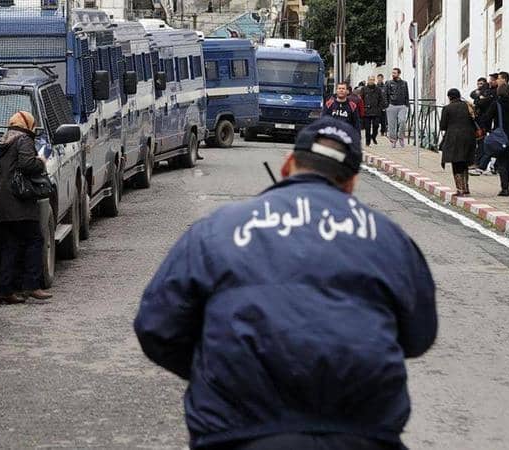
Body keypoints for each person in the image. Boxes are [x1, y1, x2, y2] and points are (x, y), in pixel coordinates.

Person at [135, 116, 437, 450]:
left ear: (287, 165)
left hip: (237, 432)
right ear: (351, 183)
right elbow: (419, 336)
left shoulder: (216, 230)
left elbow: (156, 326)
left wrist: (220, 370)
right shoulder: (390, 239)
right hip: (363, 435)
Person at [0, 111, 53, 304]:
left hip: (2, 203)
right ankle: (32, 285)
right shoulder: (24, 140)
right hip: (19, 203)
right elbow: (27, 165)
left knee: (10, 246)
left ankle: (4, 291)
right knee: (35, 240)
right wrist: (41, 161)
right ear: (28, 125)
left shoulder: (4, 141)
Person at [479, 84, 509, 196]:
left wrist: (489, 130)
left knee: (503, 163)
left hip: (501, 137)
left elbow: (486, 118)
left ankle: (505, 188)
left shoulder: (497, 104)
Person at [439, 89, 476, 196]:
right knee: (465, 161)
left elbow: (443, 126)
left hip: (454, 138)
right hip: (469, 137)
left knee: (456, 162)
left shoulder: (447, 108)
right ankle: (466, 187)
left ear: (450, 97)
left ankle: (460, 189)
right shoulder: (468, 106)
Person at [385, 67, 409, 148]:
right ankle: (393, 140)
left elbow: (407, 94)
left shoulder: (404, 83)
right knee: (392, 125)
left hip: (402, 105)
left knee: (402, 121)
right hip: (391, 105)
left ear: (399, 74)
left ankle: (401, 137)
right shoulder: (388, 83)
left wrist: (406, 104)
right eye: (392, 73)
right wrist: (387, 105)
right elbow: (385, 94)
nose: (393, 74)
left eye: (394, 73)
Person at [361, 75, 386, 146]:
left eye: (372, 79)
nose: (371, 81)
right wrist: (363, 108)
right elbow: (361, 99)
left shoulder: (378, 89)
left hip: (376, 110)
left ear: (374, 80)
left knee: (376, 125)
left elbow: (381, 99)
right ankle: (367, 142)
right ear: (368, 80)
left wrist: (380, 108)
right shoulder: (364, 89)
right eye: (370, 79)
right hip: (367, 110)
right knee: (367, 128)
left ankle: (374, 136)